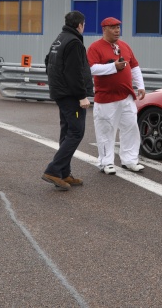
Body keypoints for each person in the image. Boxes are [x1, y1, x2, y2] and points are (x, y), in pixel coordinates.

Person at [41, 11, 93, 191]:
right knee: (76, 132)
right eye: (84, 24)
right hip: (71, 96)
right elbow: (74, 72)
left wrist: (57, 86)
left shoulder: (59, 39)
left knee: (67, 132)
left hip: (60, 93)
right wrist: (81, 96)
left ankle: (64, 173)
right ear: (80, 25)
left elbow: (48, 62)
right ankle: (53, 170)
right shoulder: (74, 42)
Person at [87, 17, 146, 175]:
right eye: (113, 27)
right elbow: (91, 69)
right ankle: (105, 162)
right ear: (104, 29)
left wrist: (140, 85)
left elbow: (134, 66)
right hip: (106, 98)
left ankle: (130, 160)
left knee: (131, 128)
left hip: (126, 96)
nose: (117, 30)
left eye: (118, 27)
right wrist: (113, 67)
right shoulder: (95, 47)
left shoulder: (124, 46)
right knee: (106, 130)